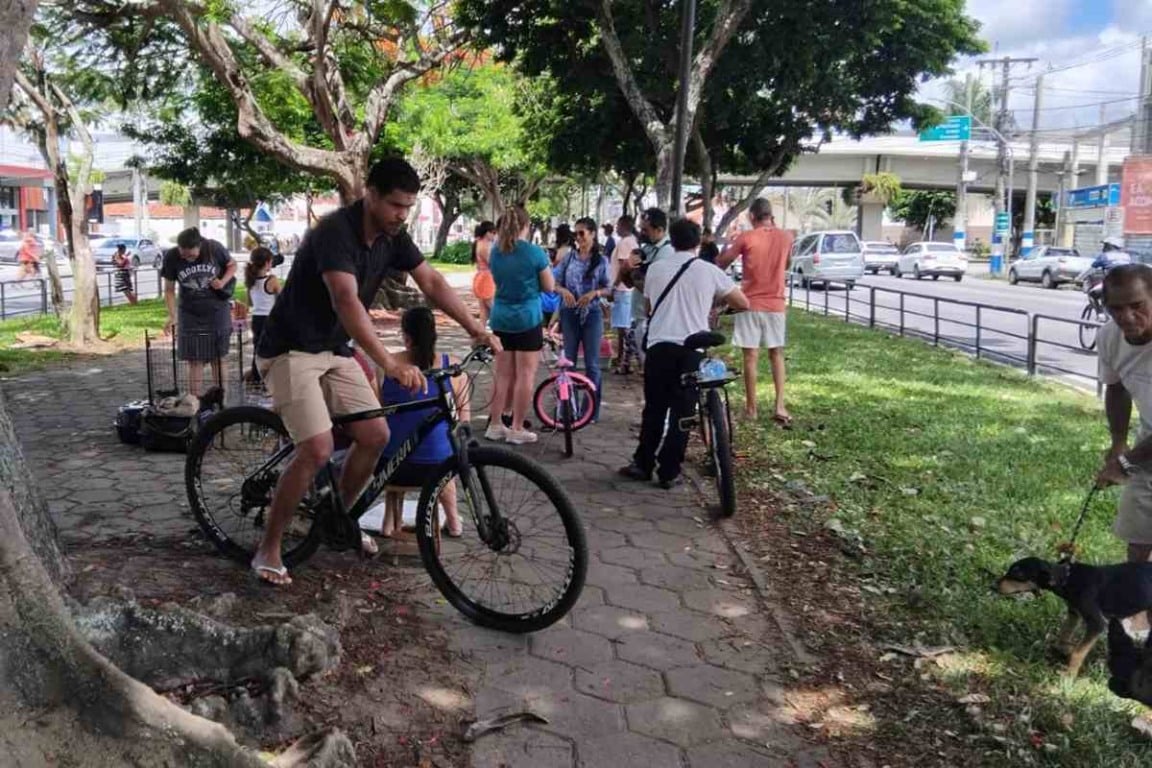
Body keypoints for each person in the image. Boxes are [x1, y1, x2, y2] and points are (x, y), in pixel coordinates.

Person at [250, 157, 500, 586]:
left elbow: (433, 283)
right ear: (369, 193)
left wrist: (476, 328)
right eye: (394, 205)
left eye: (408, 207)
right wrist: (388, 363)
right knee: (317, 448)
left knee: (376, 435)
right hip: (291, 350)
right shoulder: (335, 233)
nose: (401, 215)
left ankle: (338, 520)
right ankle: (268, 550)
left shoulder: (393, 237)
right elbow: (346, 301)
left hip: (333, 348)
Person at [618, 218, 748, 489]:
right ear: (698, 242)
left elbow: (651, 305)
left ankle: (642, 463)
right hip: (691, 348)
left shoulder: (655, 269)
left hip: (659, 345)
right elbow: (741, 302)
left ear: (671, 240)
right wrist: (717, 303)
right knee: (683, 411)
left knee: (654, 408)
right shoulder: (709, 271)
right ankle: (669, 470)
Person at [376, 307, 467, 539]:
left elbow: (379, 415)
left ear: (406, 337)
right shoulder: (453, 368)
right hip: (437, 469)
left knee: (395, 437)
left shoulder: (387, 368)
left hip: (391, 467)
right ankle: (454, 521)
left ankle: (388, 521)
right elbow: (463, 422)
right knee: (446, 447)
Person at [717, 198, 795, 425]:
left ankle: (752, 409)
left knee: (750, 356)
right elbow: (787, 264)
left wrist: (723, 248)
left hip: (749, 303)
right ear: (770, 215)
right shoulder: (786, 237)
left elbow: (723, 262)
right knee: (776, 353)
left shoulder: (746, 237)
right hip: (776, 304)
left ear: (752, 217)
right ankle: (779, 405)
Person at [486, 205, 554, 445]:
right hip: (527, 318)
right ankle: (516, 427)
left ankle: (495, 424)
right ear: (526, 226)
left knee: (502, 374)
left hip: (501, 317)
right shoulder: (535, 253)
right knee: (526, 374)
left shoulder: (495, 252)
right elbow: (549, 286)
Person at [162, 227, 237, 397]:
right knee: (194, 359)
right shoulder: (172, 257)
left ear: (200, 245)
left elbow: (232, 265)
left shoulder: (214, 248)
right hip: (189, 313)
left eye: (191, 255)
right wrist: (172, 316)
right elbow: (168, 290)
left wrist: (223, 282)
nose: (186, 258)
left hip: (217, 311)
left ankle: (220, 399)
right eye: (183, 255)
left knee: (218, 358)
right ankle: (194, 401)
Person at [554, 216, 611, 421]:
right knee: (567, 362)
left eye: (582, 233)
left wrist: (594, 294)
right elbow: (554, 282)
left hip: (592, 314)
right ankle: (568, 408)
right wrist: (563, 292)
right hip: (569, 313)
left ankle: (590, 411)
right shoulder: (569, 258)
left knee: (592, 364)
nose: (578, 238)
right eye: (575, 233)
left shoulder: (602, 260)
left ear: (593, 234)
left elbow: (609, 288)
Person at [622, 208, 673, 371]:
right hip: (639, 314)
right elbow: (630, 283)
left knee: (654, 369)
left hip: (654, 319)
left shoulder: (666, 251)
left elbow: (650, 287)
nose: (642, 233)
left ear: (659, 230)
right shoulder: (647, 249)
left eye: (646, 229)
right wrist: (626, 269)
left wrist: (632, 272)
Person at [244, 245, 280, 382]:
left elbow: (250, 303)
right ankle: (269, 380)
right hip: (269, 319)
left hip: (256, 320)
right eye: (271, 262)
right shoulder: (272, 280)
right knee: (271, 351)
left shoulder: (250, 281)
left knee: (257, 350)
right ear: (266, 263)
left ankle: (256, 378)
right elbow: (282, 299)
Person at [611, 215, 640, 375]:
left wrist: (614, 286)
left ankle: (623, 359)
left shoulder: (625, 243)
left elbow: (624, 266)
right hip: (628, 289)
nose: (616, 228)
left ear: (624, 226)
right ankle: (623, 358)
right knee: (625, 326)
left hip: (622, 289)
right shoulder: (633, 241)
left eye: (618, 225)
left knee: (624, 328)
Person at [471, 221, 497, 328]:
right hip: (486, 280)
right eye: (493, 233)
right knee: (494, 308)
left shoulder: (479, 243)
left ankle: (480, 336)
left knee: (484, 312)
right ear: (488, 233)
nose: (495, 235)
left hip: (481, 278)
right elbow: (492, 263)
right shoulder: (485, 246)